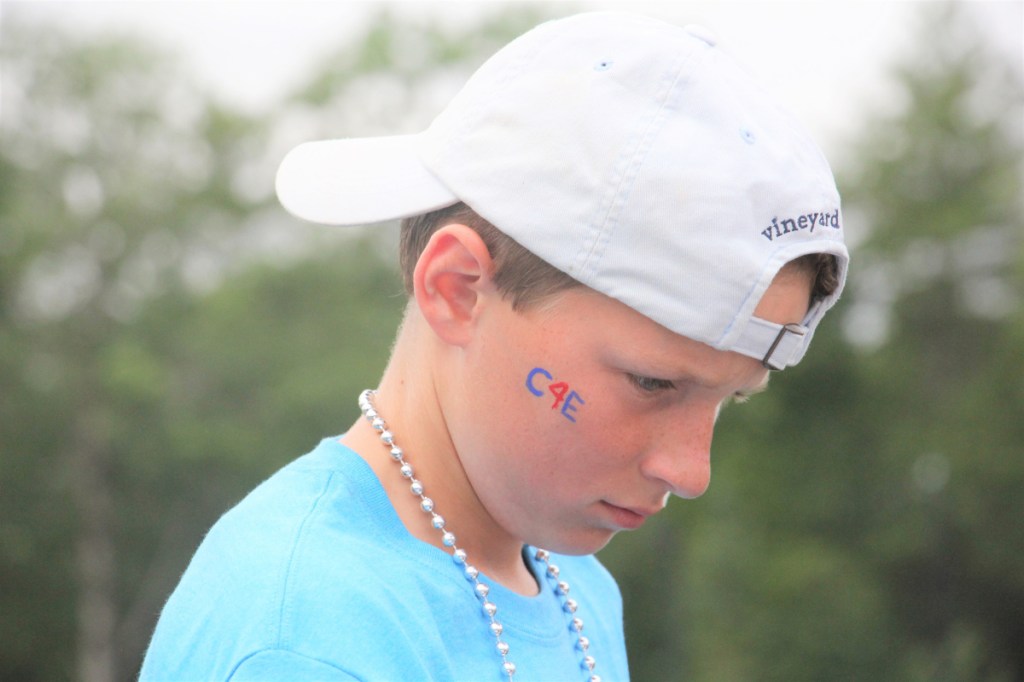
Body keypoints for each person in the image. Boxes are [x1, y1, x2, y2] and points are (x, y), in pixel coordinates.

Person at [140, 11, 848, 682]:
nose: (692, 470)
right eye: (653, 383)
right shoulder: (310, 639)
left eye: (730, 397)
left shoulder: (572, 587)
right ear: (459, 289)